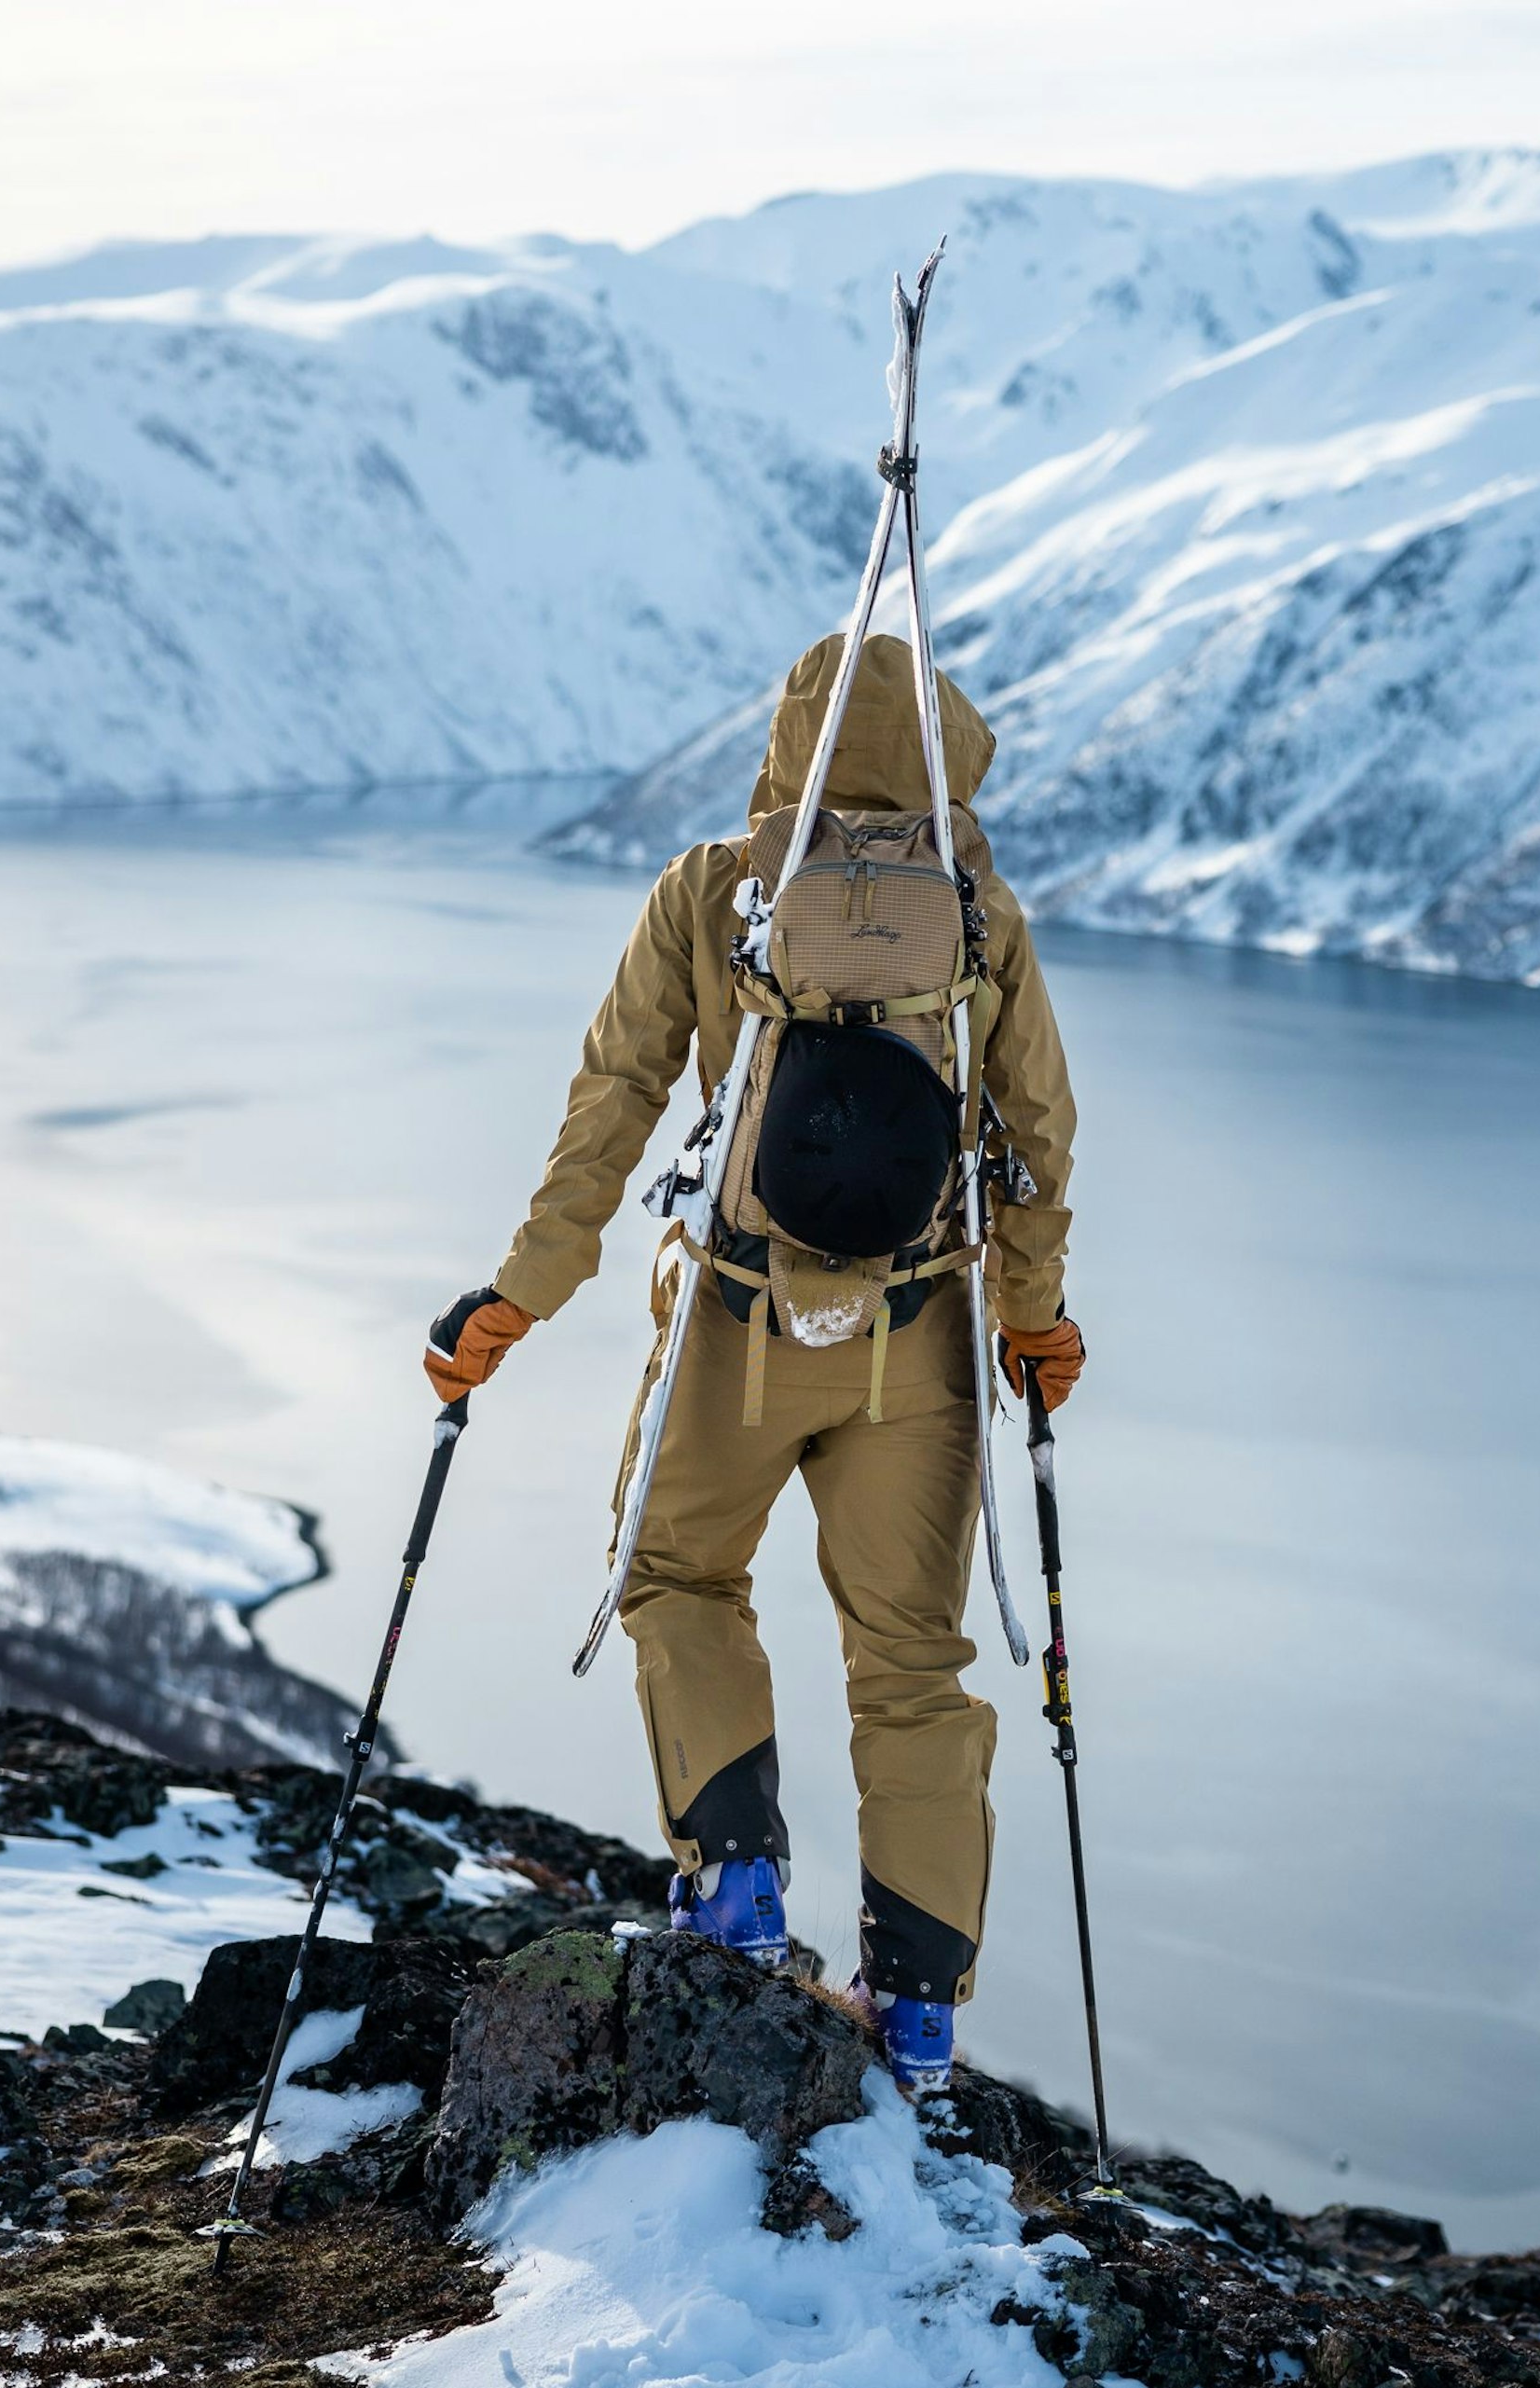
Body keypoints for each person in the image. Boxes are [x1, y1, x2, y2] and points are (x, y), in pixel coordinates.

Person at [420, 628, 1083, 2093]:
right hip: (917, 1338)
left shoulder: (713, 892)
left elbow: (615, 1099)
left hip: (735, 1315)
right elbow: (1036, 1137)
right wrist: (1032, 1318)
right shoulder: (978, 916)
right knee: (911, 1666)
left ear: (788, 738)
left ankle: (734, 1893)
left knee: (677, 1579)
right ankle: (913, 2014)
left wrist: (520, 1293)